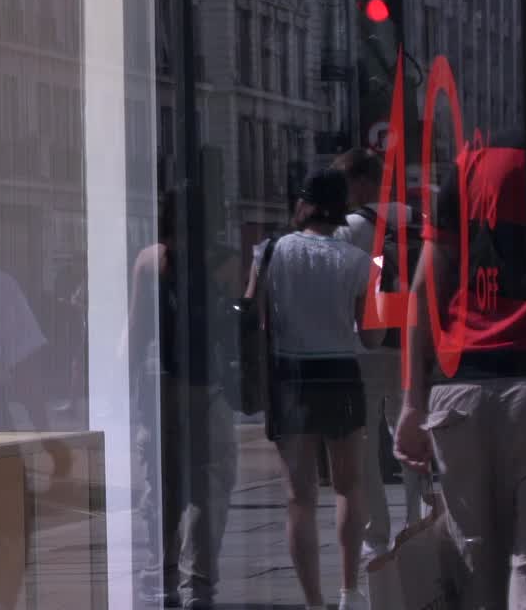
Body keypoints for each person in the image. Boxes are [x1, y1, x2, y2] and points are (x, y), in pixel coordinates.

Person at [394, 135, 526, 610]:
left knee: (471, 555)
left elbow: (422, 290)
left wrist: (412, 402)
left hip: (460, 387)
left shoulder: (470, 166)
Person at [249, 169, 375, 610]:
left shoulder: (270, 252)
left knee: (300, 497)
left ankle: (313, 602)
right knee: (348, 486)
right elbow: (371, 336)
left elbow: (257, 317)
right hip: (340, 372)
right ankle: (349, 591)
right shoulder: (357, 261)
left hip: (291, 373)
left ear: (303, 204)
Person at [132, 192, 237, 609]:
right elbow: (232, 332)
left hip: (162, 382)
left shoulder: (149, 260)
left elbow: (139, 329)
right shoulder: (224, 262)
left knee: (163, 485)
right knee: (211, 486)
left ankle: (159, 575)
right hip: (208, 388)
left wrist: (132, 386)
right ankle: (201, 581)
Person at [332, 147, 429, 555]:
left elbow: (339, 288)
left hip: (366, 345)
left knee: (367, 441)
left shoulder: (349, 227)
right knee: (409, 436)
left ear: (359, 181)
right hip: (410, 341)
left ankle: (377, 537)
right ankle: (420, 522)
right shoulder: (414, 217)